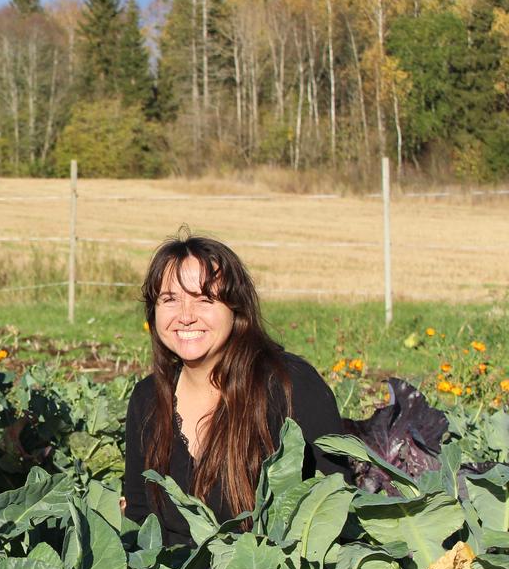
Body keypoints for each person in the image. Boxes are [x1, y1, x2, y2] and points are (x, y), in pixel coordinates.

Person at [122, 233, 349, 546]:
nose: (186, 316)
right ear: (154, 311)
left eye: (205, 299)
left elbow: (334, 503)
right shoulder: (147, 399)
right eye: (170, 299)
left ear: (236, 310)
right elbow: (138, 515)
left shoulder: (289, 386)